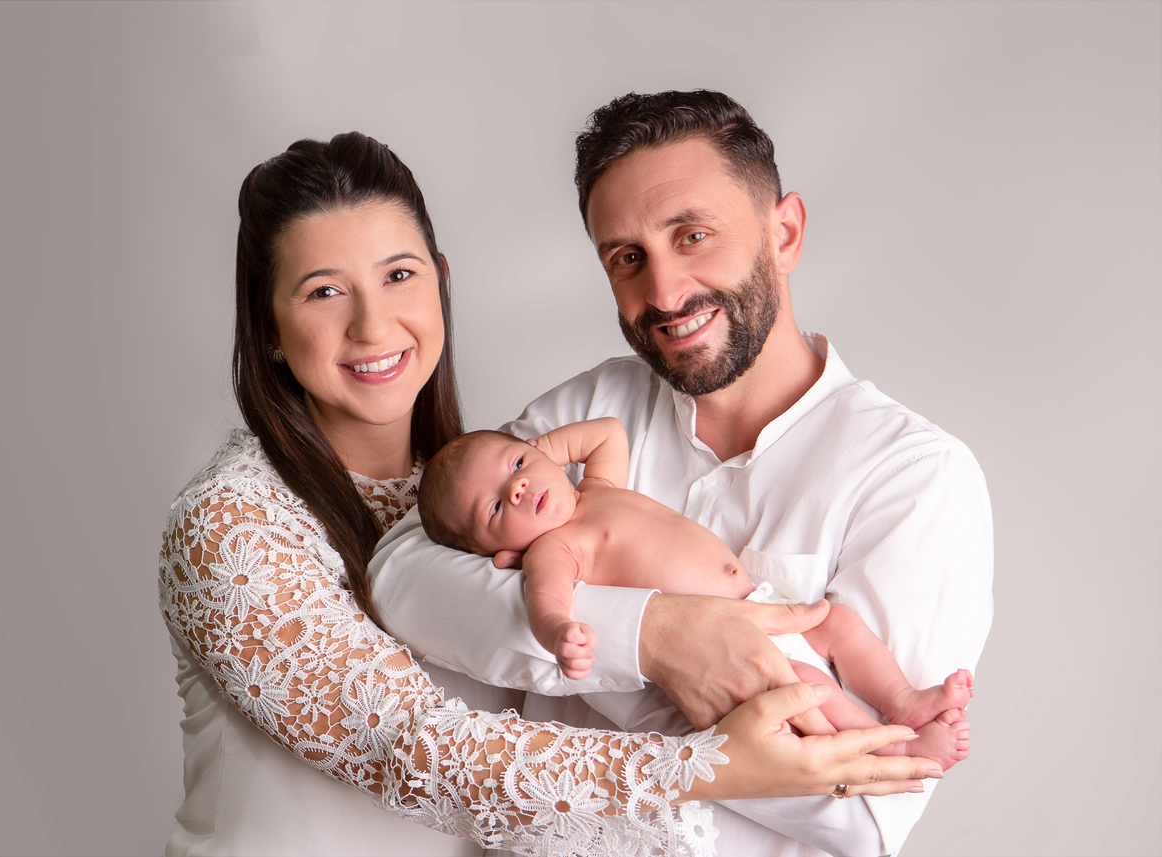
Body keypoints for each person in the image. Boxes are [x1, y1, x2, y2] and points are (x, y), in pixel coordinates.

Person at [158, 131, 940, 857]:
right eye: (324, 291)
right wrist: (704, 748)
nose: (372, 324)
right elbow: (411, 751)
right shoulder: (230, 521)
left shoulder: (477, 484)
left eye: (398, 275)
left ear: (441, 281)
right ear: (268, 326)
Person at [368, 90, 994, 857]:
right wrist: (654, 639)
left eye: (692, 235)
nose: (663, 293)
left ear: (785, 232)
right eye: (626, 258)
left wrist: (632, 659)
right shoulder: (591, 405)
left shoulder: (915, 475)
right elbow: (402, 577)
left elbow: (865, 810)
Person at [416, 419, 972, 774]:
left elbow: (608, 433)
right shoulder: (554, 549)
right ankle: (893, 747)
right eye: (495, 507)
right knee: (807, 687)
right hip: (732, 645)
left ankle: (902, 699)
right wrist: (561, 632)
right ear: (495, 552)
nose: (517, 487)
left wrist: (542, 449)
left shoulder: (596, 488)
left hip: (761, 601)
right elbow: (546, 601)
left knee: (840, 622)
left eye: (517, 466)